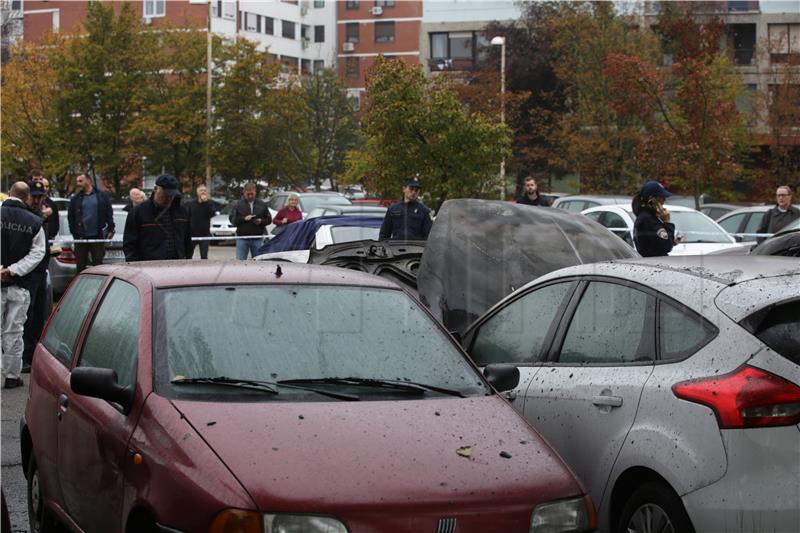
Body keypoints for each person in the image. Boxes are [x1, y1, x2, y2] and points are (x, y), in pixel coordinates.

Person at [2, 182, 46, 389]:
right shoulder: (35, 222)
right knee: (14, 331)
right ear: (27, 198)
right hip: (19, 285)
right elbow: (38, 253)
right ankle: (12, 376)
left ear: (9, 194)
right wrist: (14, 270)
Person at [123, 175, 192, 262]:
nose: (169, 198)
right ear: (155, 189)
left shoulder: (182, 212)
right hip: (148, 267)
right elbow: (130, 244)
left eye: (172, 195)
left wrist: (187, 260)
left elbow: (187, 241)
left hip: (178, 265)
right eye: (165, 194)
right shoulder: (138, 212)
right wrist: (135, 265)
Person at [21, 182, 52, 374]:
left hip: (41, 272)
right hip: (28, 274)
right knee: (27, 315)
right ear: (26, 197)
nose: (38, 200)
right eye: (35, 196)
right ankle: (25, 356)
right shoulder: (27, 218)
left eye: (41, 197)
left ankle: (32, 355)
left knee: (39, 315)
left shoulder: (40, 216)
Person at [67, 173, 115, 273]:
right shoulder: (75, 199)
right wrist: (74, 232)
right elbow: (71, 216)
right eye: (77, 181)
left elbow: (108, 213)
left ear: (89, 181)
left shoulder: (102, 196)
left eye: (80, 181)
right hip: (80, 237)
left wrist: (111, 228)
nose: (78, 183)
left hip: (97, 235)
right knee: (80, 265)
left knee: (98, 264)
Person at [632, 180, 682, 257]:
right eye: (661, 197)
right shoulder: (647, 220)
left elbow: (656, 245)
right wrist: (667, 222)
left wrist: (673, 242)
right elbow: (666, 246)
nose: (664, 201)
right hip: (654, 264)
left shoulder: (648, 217)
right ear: (651, 200)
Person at [379, 176, 433, 240]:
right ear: (404, 189)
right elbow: (384, 235)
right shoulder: (393, 209)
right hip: (396, 247)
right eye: (411, 188)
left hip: (416, 248)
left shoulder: (424, 211)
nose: (414, 192)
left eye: (416, 190)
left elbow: (429, 236)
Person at [230, 182, 270, 260]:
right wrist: (243, 219)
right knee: (240, 262)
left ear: (255, 192)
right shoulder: (237, 204)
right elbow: (233, 220)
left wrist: (261, 221)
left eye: (252, 194)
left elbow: (269, 220)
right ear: (244, 192)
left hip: (258, 238)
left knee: (258, 263)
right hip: (242, 238)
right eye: (248, 194)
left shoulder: (262, 204)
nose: (250, 196)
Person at [185, 184, 217, 259]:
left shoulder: (209, 203)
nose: (203, 192)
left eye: (204, 191)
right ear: (197, 192)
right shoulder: (191, 204)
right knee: (188, 256)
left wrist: (205, 202)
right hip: (192, 235)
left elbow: (212, 214)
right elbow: (187, 217)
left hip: (205, 234)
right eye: (201, 190)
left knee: (204, 256)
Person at [29, 170, 59, 239]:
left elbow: (54, 225)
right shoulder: (25, 204)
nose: (36, 200)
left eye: (40, 179)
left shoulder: (49, 204)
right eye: (36, 179)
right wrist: (42, 215)